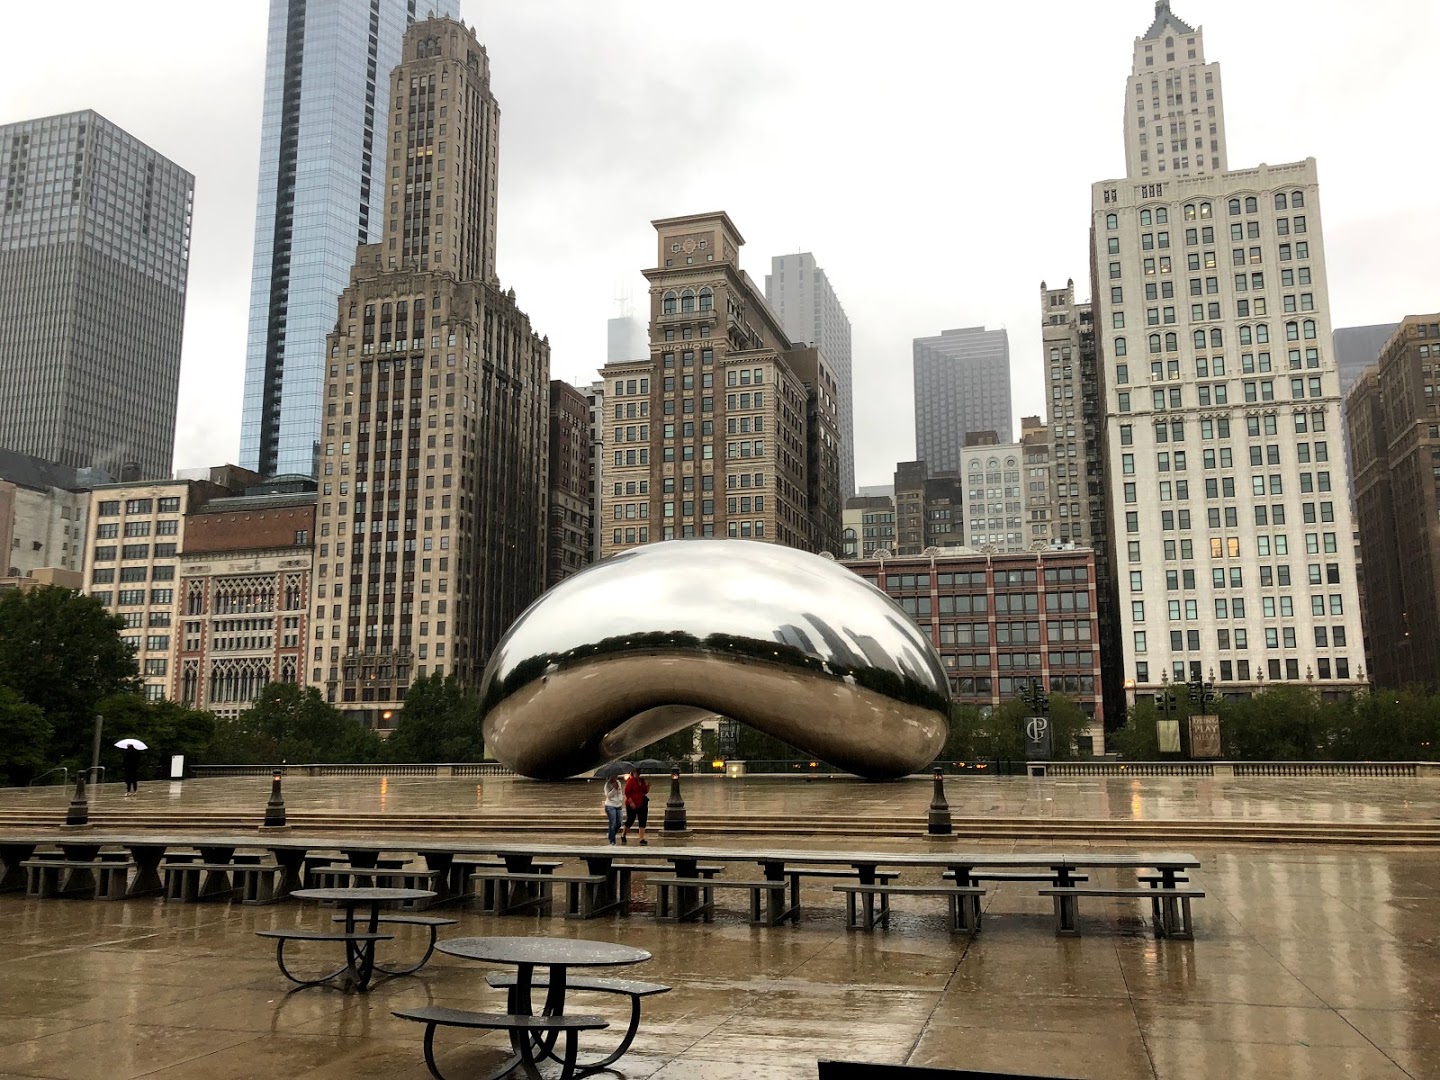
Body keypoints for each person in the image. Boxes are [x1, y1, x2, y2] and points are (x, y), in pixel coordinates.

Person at [621, 770, 650, 845]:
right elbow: (627, 792)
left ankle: (641, 838)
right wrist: (631, 802)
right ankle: (623, 834)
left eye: (638, 772)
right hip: (632, 804)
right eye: (636, 773)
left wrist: (648, 786)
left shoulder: (642, 780)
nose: (637, 774)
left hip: (642, 803)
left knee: (643, 820)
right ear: (633, 773)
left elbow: (644, 791)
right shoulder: (631, 781)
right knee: (630, 820)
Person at [603, 776, 624, 845]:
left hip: (618, 805)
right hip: (610, 805)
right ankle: (612, 841)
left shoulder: (618, 782)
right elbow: (608, 796)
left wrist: (621, 799)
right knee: (613, 823)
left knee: (619, 823)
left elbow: (620, 792)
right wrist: (614, 789)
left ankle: (610, 834)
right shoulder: (607, 785)